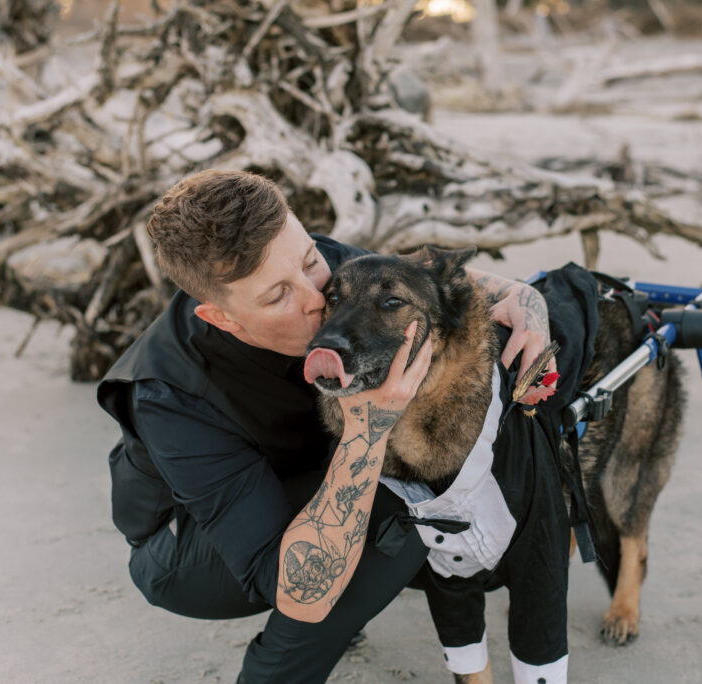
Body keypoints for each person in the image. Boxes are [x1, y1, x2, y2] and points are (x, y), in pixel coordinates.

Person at [96, 170, 554, 682]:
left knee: (414, 463)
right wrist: (367, 432)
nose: (318, 298)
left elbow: (424, 285)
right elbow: (291, 586)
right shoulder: (170, 396)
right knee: (395, 495)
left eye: (312, 261)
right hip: (186, 546)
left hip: (299, 471)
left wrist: (528, 305)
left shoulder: (318, 269)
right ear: (223, 318)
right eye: (277, 298)